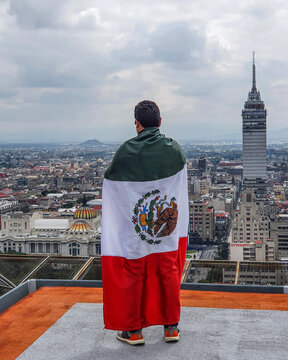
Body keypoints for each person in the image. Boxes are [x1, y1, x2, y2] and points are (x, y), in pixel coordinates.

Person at [101, 100, 189, 345]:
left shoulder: (126, 152)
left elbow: (112, 190)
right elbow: (181, 191)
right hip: (167, 232)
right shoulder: (175, 151)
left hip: (135, 231)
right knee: (168, 272)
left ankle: (134, 331)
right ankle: (171, 327)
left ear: (136, 124)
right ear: (160, 122)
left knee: (133, 275)